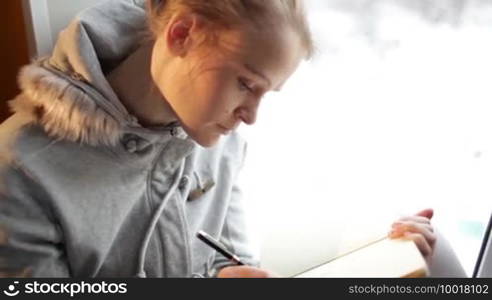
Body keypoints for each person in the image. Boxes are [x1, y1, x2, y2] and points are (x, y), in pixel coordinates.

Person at [0, 0, 436, 278]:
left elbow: (227, 260)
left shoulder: (218, 142)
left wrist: (373, 258)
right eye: (246, 84)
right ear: (181, 34)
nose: (250, 117)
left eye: (267, 94)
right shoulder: (20, 169)